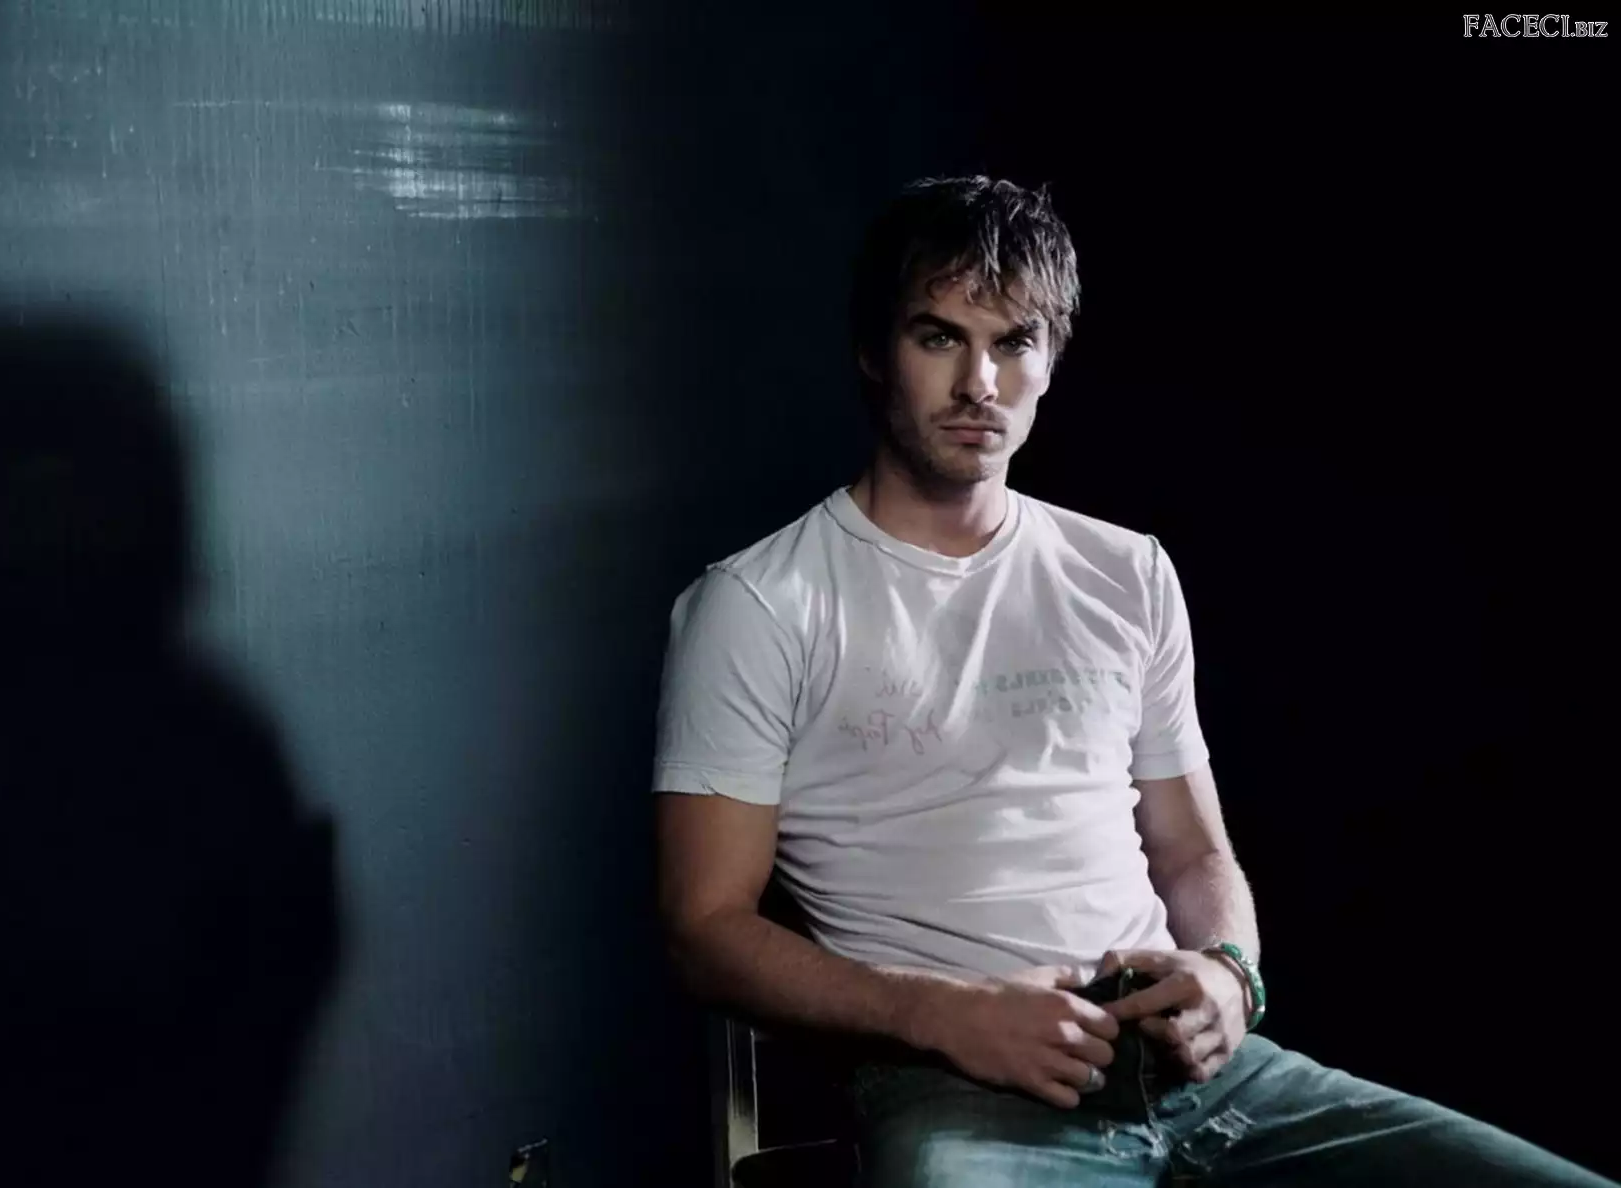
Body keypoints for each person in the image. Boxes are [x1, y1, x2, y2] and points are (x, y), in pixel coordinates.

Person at [649, 175, 1615, 1186]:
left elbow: (1194, 852)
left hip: (1202, 1073)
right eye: (939, 338)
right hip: (958, 1081)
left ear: (1050, 360)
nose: (979, 382)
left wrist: (1230, 974)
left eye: (1013, 343)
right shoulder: (759, 603)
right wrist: (941, 1014)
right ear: (872, 352)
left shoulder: (1125, 571)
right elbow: (703, 930)